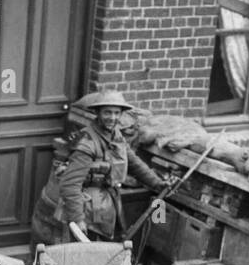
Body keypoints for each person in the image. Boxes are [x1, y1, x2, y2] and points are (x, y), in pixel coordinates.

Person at [30, 89, 167, 248]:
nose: (112, 118)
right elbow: (70, 185)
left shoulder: (115, 136)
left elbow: (134, 163)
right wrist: (78, 220)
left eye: (116, 113)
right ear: (97, 113)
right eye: (107, 113)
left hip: (106, 206)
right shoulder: (87, 143)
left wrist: (157, 183)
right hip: (86, 211)